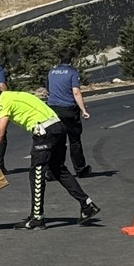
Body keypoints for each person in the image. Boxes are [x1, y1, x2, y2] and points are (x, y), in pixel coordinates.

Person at [0, 82, 100, 229]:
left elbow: (0, 132)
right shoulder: (13, 95)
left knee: (36, 173)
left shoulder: (3, 102)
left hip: (44, 132)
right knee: (58, 170)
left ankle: (37, 217)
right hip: (57, 128)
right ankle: (87, 205)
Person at [46, 48, 92, 177]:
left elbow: (49, 90)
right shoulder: (72, 72)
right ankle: (80, 169)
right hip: (68, 110)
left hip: (53, 109)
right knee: (74, 141)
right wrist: (83, 110)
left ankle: (52, 171)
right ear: (71, 59)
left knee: (55, 141)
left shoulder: (51, 72)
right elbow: (76, 92)